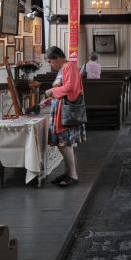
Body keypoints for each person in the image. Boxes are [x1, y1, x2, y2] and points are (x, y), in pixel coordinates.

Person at [40, 46, 86, 188]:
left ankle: (73, 175)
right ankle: (67, 173)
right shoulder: (64, 68)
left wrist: (50, 91)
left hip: (65, 111)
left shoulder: (69, 67)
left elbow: (70, 88)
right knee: (62, 143)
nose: (50, 64)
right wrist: (50, 100)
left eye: (50, 61)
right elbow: (64, 90)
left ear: (57, 58)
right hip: (60, 108)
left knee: (64, 143)